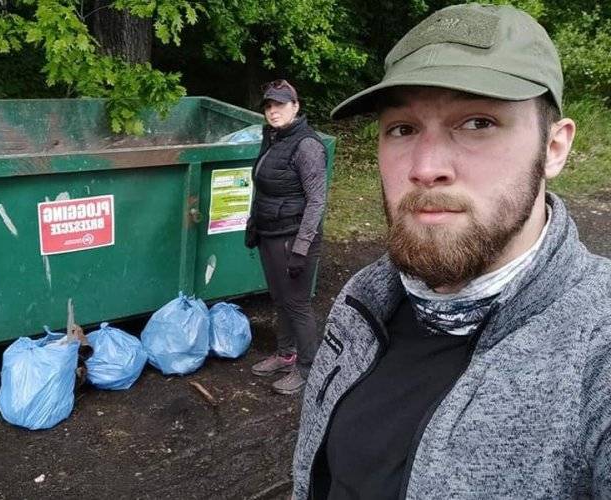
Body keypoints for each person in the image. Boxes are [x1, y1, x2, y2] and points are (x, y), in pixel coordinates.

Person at [292, 3, 611, 498]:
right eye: (402, 129)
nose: (425, 168)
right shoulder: (363, 299)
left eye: (478, 122)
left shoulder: (597, 345)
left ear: (553, 148)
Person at [245, 79, 328, 395]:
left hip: (294, 236)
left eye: (280, 104)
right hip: (270, 232)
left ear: (296, 107)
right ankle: (285, 354)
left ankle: (307, 368)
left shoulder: (307, 146)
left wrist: (301, 248)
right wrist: (254, 223)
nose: (273, 110)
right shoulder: (273, 138)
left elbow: (317, 200)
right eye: (268, 105)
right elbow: (264, 187)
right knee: (280, 298)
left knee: (297, 303)